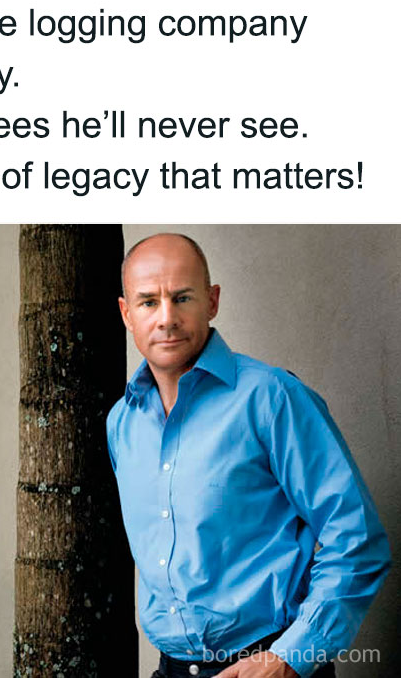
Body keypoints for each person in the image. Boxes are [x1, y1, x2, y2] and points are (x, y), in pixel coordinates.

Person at [107, 233, 390, 678]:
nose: (166, 318)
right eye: (147, 302)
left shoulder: (272, 398)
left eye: (182, 297)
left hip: (271, 664)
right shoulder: (122, 424)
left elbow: (356, 538)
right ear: (126, 313)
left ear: (212, 301)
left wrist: (291, 658)